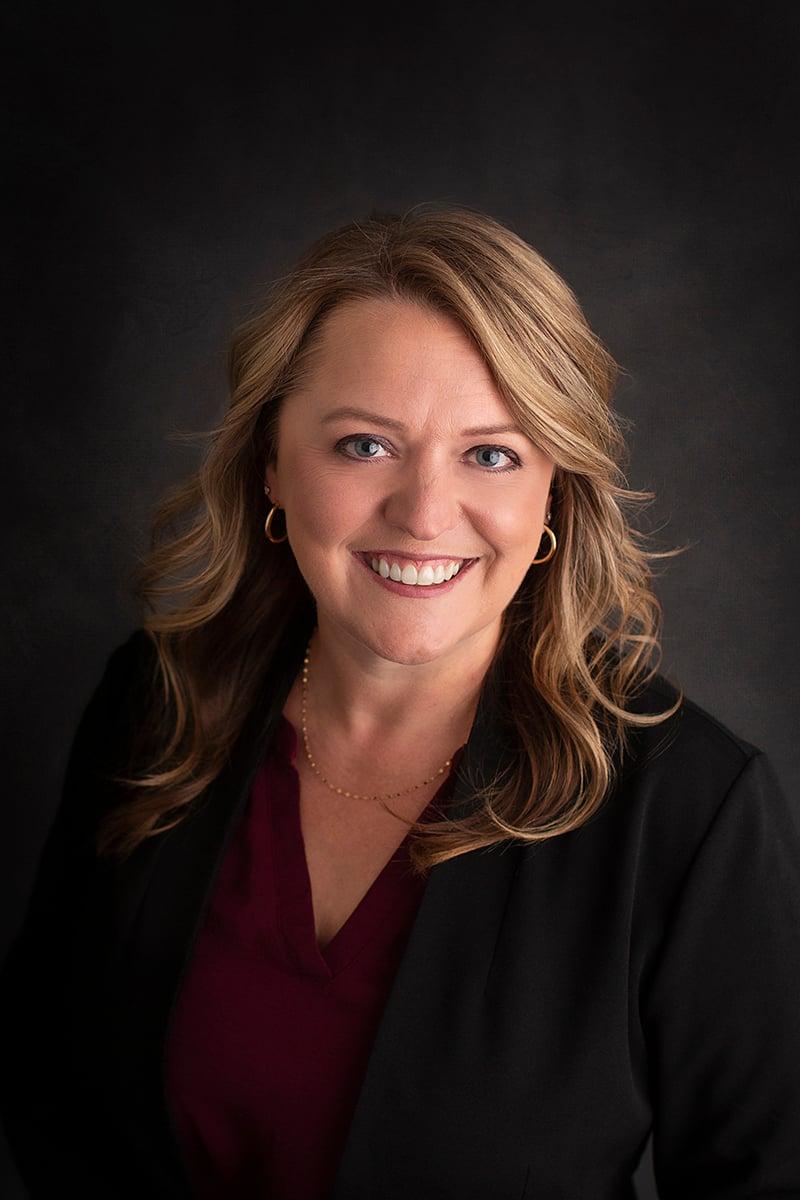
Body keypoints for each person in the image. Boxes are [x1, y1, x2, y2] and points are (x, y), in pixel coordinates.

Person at [1, 204, 798, 1200]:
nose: (424, 513)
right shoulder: (156, 702)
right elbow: (49, 1090)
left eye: (491, 454)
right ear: (271, 467)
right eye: (364, 446)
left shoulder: (690, 813)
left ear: (552, 493)